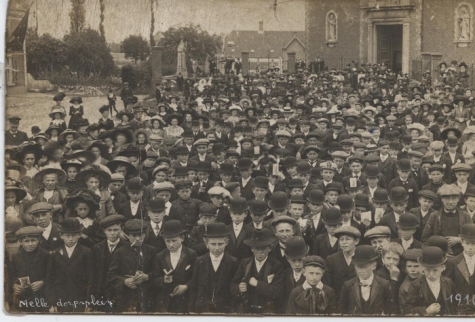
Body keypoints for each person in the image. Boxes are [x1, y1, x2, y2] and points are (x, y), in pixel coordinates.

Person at [107, 219, 157, 313]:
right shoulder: (119, 252)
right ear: (127, 236)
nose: (138, 238)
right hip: (126, 297)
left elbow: (157, 272)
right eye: (134, 235)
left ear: (145, 235)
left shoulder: (151, 250)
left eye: (141, 235)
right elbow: (111, 275)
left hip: (146, 296)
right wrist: (125, 281)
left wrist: (147, 276)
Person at [45, 218, 95, 313]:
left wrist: (88, 303)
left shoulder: (86, 252)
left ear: (79, 235)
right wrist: (52, 302)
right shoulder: (55, 253)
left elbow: (91, 279)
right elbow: (49, 279)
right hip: (60, 299)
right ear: (61, 236)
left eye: (74, 235)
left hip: (80, 298)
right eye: (67, 236)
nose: (71, 239)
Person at [188, 222, 239, 313]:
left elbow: (234, 287)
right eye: (213, 244)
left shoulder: (233, 262)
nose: (217, 248)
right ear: (206, 242)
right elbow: (194, 288)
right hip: (203, 308)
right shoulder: (200, 261)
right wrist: (192, 310)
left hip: (225, 309)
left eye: (220, 244)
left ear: (226, 242)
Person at [231, 228, 284, 314]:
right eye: (257, 248)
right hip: (247, 308)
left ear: (269, 249)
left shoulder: (276, 265)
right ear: (252, 249)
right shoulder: (245, 263)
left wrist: (257, 284)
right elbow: (233, 284)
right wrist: (238, 288)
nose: (260, 252)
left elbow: (278, 290)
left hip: (267, 309)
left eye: (263, 248)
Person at [152, 220, 197, 313]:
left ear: (182, 238)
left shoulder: (191, 254)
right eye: (167, 241)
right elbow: (155, 279)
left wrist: (186, 286)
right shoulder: (160, 256)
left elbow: (197, 276)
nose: (171, 244)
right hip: (166, 303)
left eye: (174, 241)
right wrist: (163, 280)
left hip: (186, 301)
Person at [339, 245, 396, 315]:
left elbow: (390, 311)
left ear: (374, 266)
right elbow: (342, 311)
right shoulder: (348, 285)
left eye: (364, 267)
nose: (361, 270)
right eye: (358, 267)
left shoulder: (384, 284)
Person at [403, 246, 457, 315]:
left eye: (435, 270)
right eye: (427, 270)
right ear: (422, 268)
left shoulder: (448, 282)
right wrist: (425, 311)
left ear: (443, 268)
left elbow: (455, 304)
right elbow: (407, 309)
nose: (431, 274)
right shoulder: (415, 285)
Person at [8, 226, 49, 313]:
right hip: (24, 296)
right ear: (20, 242)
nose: (30, 244)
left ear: (38, 240)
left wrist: (42, 282)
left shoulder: (46, 255)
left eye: (33, 240)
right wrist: (15, 285)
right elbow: (12, 276)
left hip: (42, 295)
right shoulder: (16, 257)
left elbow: (52, 274)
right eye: (26, 241)